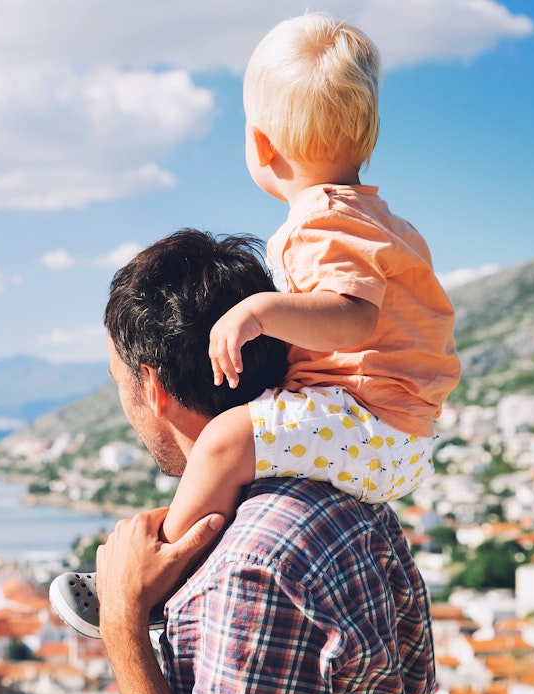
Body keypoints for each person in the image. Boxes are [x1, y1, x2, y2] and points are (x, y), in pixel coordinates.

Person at [51, 12, 459, 638]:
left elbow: (354, 321)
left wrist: (259, 311)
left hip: (373, 425)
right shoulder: (384, 223)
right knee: (237, 458)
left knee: (224, 441)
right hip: (397, 432)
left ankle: (153, 591)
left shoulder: (319, 223)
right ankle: (161, 543)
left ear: (263, 146)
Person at [92, 228, 435, 694]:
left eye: (117, 381)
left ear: (150, 386)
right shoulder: (343, 494)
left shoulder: (252, 569)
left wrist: (121, 622)